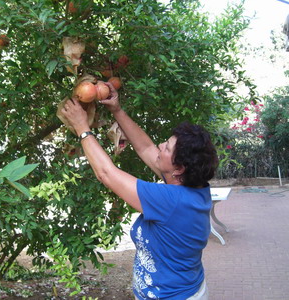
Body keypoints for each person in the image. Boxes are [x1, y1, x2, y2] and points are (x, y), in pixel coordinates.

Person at [61, 82, 219, 300]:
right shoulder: (193, 187)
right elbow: (145, 148)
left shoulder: (170, 200)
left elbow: (106, 174)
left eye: (167, 147)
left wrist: (82, 128)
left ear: (179, 168)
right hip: (183, 290)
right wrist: (116, 110)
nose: (161, 146)